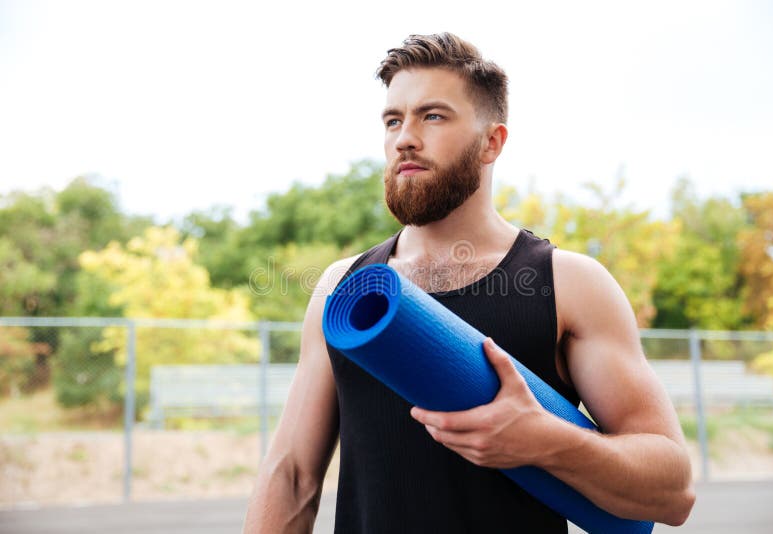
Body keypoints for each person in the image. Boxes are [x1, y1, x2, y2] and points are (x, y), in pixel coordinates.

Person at [243, 32, 695, 533]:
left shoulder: (569, 284)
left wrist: (548, 441)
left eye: (432, 116)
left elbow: (674, 494)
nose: (404, 137)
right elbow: (291, 476)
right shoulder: (344, 289)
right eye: (393, 120)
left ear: (491, 142)